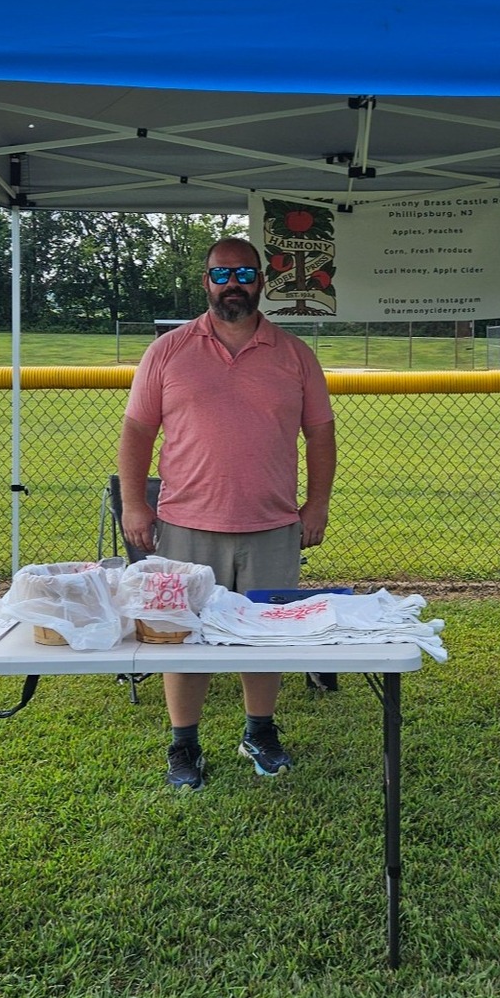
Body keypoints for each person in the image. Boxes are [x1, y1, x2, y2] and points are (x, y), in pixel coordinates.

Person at [117, 236, 336, 790]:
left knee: (265, 637)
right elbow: (138, 431)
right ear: (205, 282)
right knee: (184, 638)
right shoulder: (166, 351)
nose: (232, 285)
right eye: (220, 275)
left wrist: (317, 503)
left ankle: (259, 731)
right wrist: (136, 504)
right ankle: (183, 744)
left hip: (272, 525)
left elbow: (321, 434)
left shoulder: (295, 355)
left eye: (243, 274)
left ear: (262, 281)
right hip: (187, 524)